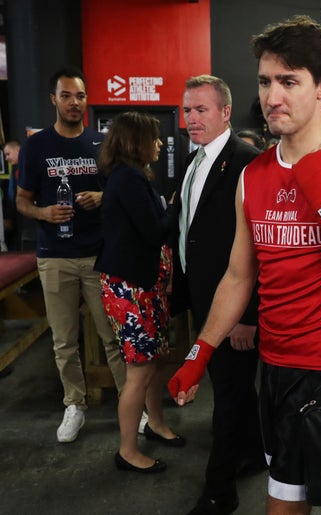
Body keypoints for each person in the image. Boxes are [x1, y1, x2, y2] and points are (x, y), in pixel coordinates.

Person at [167, 15, 321, 515]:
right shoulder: (253, 174)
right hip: (275, 371)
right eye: (266, 81)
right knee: (284, 502)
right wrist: (200, 351)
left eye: (289, 81)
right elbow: (239, 274)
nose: (273, 96)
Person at [16, 66, 125, 443]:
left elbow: (122, 194)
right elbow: (22, 201)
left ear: (85, 99)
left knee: (111, 337)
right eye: (66, 96)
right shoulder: (36, 147)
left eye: (79, 96)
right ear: (54, 100)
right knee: (64, 339)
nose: (74, 102)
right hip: (54, 255)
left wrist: (103, 197)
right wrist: (43, 213)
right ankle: (74, 404)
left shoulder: (101, 144)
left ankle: (133, 406)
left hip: (99, 254)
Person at [173, 75, 264, 515]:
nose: (191, 119)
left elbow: (261, 248)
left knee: (227, 398)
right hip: (204, 299)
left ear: (226, 112)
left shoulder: (248, 161)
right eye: (187, 110)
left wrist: (249, 315)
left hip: (234, 309)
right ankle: (252, 453)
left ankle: (219, 492)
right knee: (234, 391)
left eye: (201, 110)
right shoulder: (194, 162)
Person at [94, 111, 179, 473]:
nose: (160, 143)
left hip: (141, 285)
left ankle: (155, 423)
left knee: (153, 362)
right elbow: (153, 231)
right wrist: (176, 208)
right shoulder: (128, 178)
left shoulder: (132, 175)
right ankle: (127, 451)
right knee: (139, 371)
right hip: (130, 288)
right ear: (136, 142)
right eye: (155, 138)